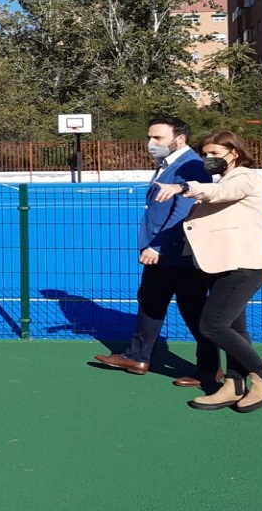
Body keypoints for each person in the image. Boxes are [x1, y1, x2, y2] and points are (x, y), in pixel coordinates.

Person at [153, 130, 262, 413]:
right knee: (235, 330)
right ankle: (234, 384)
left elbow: (221, 193)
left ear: (234, 153)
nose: (208, 158)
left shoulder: (245, 178)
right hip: (222, 264)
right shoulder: (225, 179)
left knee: (212, 326)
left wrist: (184, 187)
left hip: (244, 266)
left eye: (215, 153)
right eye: (205, 154)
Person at [93, 116, 221, 387]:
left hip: (176, 253)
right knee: (150, 302)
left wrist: (158, 246)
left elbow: (185, 210)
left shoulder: (192, 165)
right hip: (161, 254)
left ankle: (211, 369)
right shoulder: (168, 163)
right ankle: (137, 357)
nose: (151, 143)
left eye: (158, 138)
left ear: (180, 139)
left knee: (193, 310)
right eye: (150, 137)